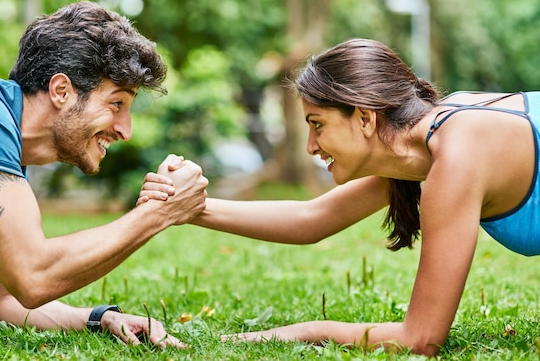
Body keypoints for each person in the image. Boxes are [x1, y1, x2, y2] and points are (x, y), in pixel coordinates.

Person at [142, 37, 540, 355]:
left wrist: (303, 331)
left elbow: (420, 339)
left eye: (318, 125)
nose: (311, 146)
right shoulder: (426, 143)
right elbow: (311, 219)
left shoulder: (456, 158)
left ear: (365, 118)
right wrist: (191, 207)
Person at [0, 0, 208, 348]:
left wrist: (100, 318)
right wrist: (159, 213)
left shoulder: (3, 155)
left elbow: (3, 304)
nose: (125, 130)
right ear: (61, 91)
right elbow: (32, 276)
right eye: (116, 104)